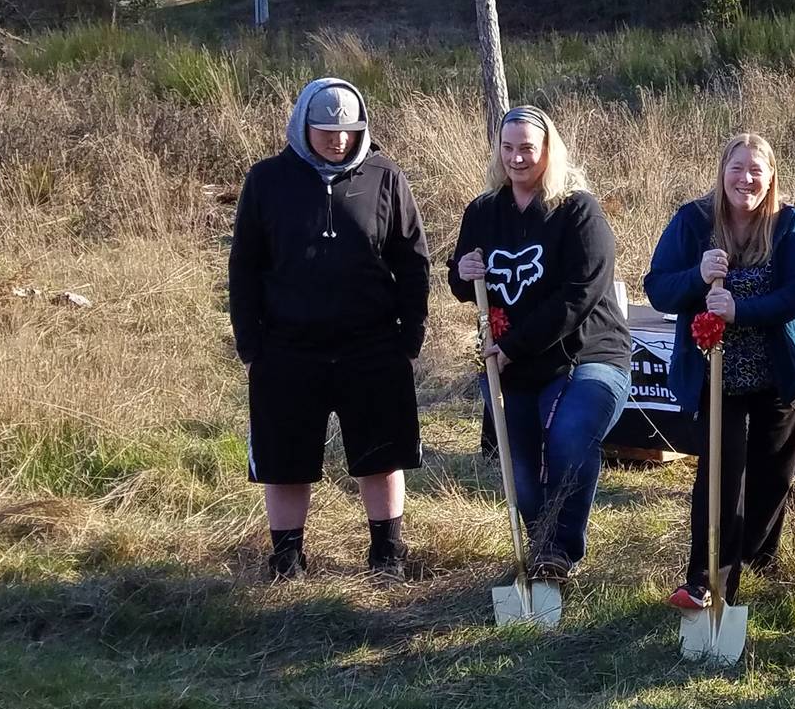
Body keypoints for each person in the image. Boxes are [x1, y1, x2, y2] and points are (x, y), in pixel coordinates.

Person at [228, 77, 429, 582]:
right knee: (284, 459)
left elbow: (412, 261)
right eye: (325, 130)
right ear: (303, 125)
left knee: (381, 456)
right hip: (287, 348)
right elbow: (244, 267)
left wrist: (411, 335)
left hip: (373, 345)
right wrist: (251, 342)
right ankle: (288, 563)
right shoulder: (267, 180)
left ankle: (387, 556)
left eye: (347, 130)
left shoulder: (386, 177)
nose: (337, 140)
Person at [448, 105, 631, 580]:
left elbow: (581, 294)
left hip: (589, 353)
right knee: (520, 468)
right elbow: (466, 282)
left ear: (549, 149)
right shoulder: (484, 211)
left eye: (527, 147)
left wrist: (515, 346)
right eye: (508, 148)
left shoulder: (579, 210)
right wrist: (463, 274)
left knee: (570, 436)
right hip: (513, 361)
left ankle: (559, 551)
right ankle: (541, 541)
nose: (517, 158)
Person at [645, 133, 795, 610]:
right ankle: (706, 580)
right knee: (721, 474)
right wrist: (698, 277)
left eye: (756, 170)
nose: (746, 178)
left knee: (773, 476)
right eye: (737, 168)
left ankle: (757, 558)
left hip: (780, 373)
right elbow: (658, 288)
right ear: (722, 172)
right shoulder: (694, 221)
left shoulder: (789, 224)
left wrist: (740, 309)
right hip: (715, 376)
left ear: (771, 176)